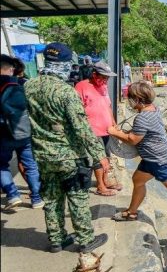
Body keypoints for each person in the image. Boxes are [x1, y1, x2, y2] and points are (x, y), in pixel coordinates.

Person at [24, 43, 109, 252]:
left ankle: (56, 239)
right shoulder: (66, 92)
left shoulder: (29, 87)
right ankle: (86, 239)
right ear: (64, 64)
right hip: (69, 155)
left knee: (51, 197)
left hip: (42, 154)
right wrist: (100, 155)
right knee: (77, 196)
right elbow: (81, 128)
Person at [108, 81, 167, 220]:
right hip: (150, 159)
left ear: (138, 100)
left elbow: (133, 139)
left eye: (130, 98)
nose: (129, 101)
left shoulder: (142, 117)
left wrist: (113, 132)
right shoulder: (153, 109)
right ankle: (132, 212)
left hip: (159, 160)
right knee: (138, 180)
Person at [0, 55, 43, 210]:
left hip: (4, 134)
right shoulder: (22, 84)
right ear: (11, 69)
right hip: (24, 132)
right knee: (31, 165)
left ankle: (12, 194)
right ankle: (37, 198)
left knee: (2, 165)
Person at [75, 61, 122, 196]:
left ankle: (106, 181)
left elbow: (107, 106)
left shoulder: (103, 87)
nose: (106, 80)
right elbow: (77, 111)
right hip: (92, 130)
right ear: (94, 74)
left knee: (106, 156)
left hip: (106, 129)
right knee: (98, 158)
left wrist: (113, 122)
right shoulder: (81, 86)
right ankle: (101, 187)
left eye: (107, 78)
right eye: (104, 77)